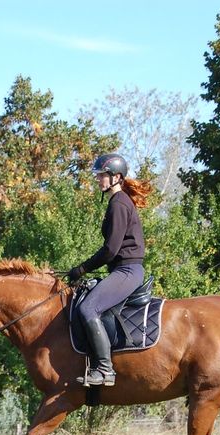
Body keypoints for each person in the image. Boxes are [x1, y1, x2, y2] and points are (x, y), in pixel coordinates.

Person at [66, 153, 152, 387]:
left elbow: (111, 250)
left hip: (127, 270)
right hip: (122, 270)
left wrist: (82, 268)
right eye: (99, 175)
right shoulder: (119, 201)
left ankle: (104, 370)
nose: (98, 179)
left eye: (102, 175)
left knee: (87, 308)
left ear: (116, 177)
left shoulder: (119, 203)